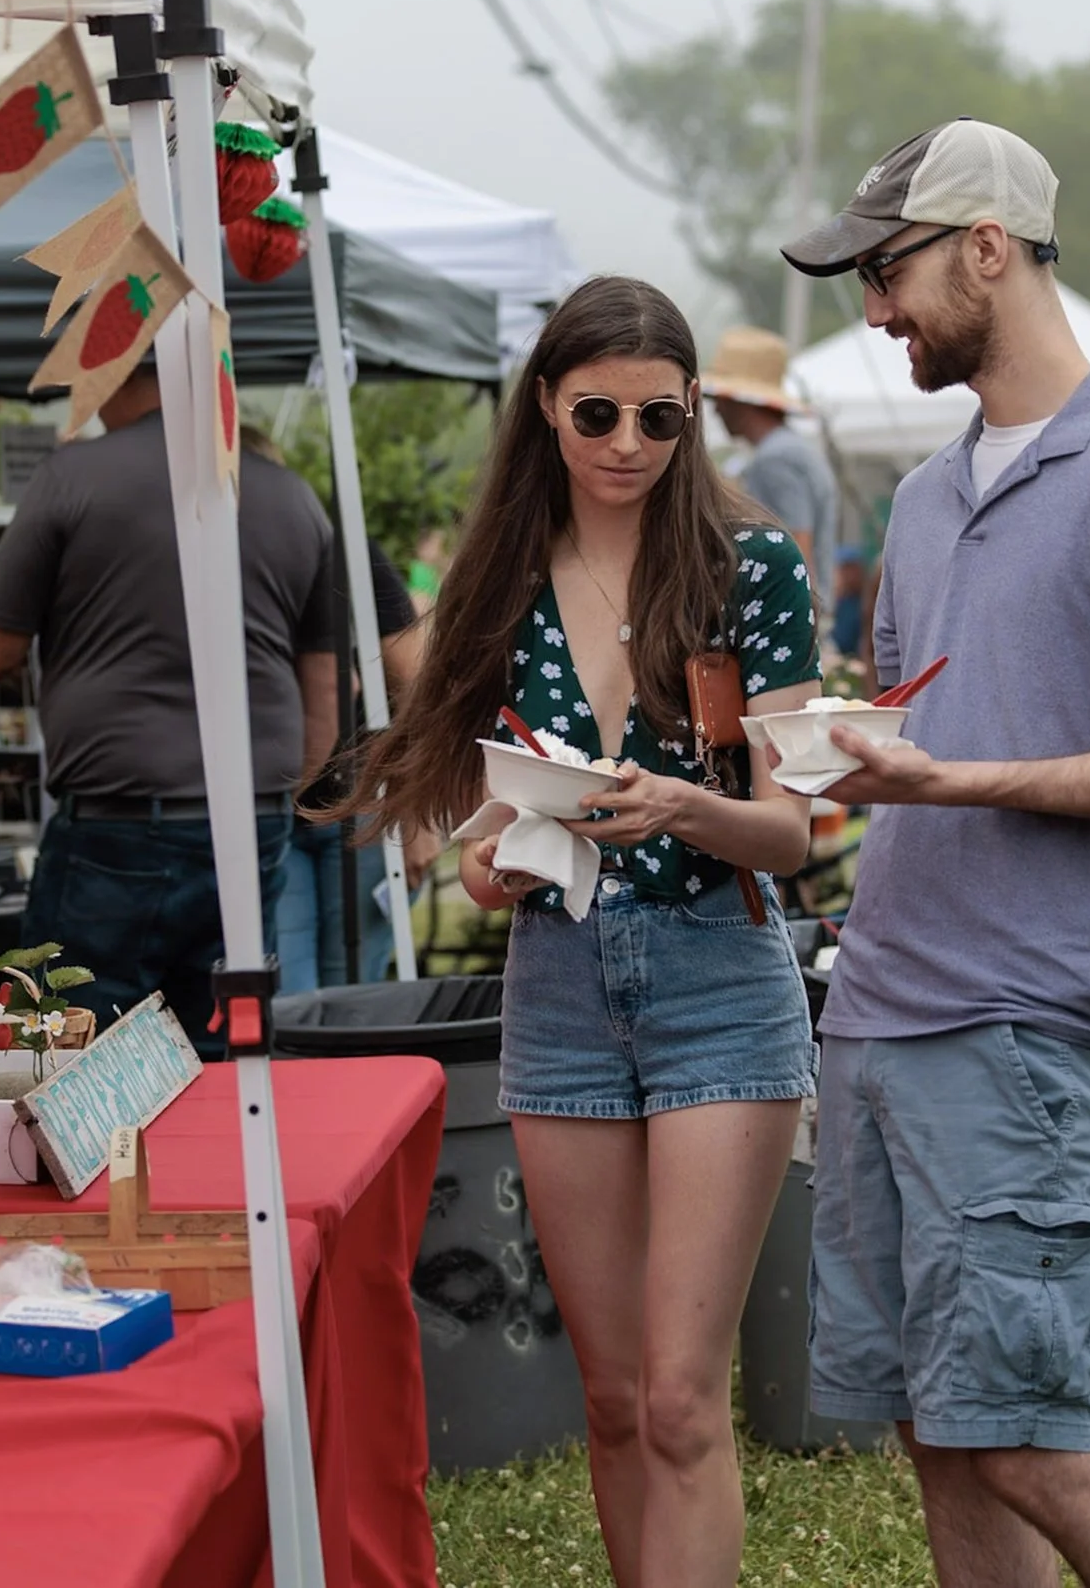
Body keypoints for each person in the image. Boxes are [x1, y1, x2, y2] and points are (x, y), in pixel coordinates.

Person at [779, 119, 1090, 1588]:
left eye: (888, 271)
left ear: (988, 248)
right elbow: (919, 726)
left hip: (1025, 1035)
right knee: (939, 1425)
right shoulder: (926, 499)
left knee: (1030, 1440)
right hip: (879, 1014)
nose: (874, 309)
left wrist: (959, 777)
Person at [337, 276, 821, 1588]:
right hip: (558, 976)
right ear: (547, 403)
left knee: (680, 1397)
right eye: (597, 412)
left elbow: (790, 834)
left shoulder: (751, 565)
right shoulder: (502, 569)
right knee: (609, 1397)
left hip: (717, 966)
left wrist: (684, 805)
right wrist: (488, 859)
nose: (627, 443)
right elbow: (476, 812)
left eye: (659, 418)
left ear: (693, 414)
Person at [0, 364, 341, 1053]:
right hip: (252, 820)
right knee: (222, 1052)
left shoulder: (75, 476)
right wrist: (276, 795)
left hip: (118, 827)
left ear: (111, 372)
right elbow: (326, 687)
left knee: (74, 1046)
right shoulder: (290, 493)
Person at [277, 535, 433, 993]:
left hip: (364, 807)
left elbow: (419, 683)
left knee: (355, 991)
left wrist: (418, 815)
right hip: (277, 819)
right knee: (290, 995)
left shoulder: (347, 551)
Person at [705, 325, 837, 596]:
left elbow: (797, 548)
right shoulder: (793, 449)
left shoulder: (775, 459)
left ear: (742, 401)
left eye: (721, 398)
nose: (716, 409)